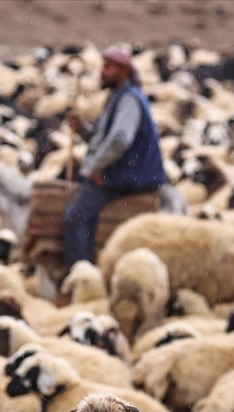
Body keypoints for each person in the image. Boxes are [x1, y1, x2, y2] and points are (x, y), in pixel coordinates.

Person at [62, 46, 168, 270]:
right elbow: (104, 139)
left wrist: (93, 168)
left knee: (75, 218)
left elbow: (120, 140)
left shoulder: (128, 99)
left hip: (130, 175)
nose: (103, 72)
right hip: (125, 170)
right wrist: (82, 129)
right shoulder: (117, 97)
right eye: (104, 66)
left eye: (109, 68)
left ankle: (80, 273)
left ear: (123, 71)